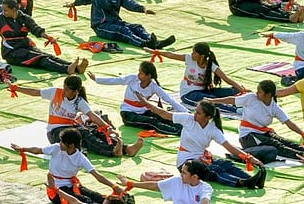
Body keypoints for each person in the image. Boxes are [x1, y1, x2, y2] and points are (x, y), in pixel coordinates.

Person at [134, 97, 266, 189]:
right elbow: (165, 114)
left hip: (202, 158)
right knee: (215, 170)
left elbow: (228, 146)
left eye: (198, 113)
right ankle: (242, 183)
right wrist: (147, 103)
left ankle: (252, 178)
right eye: (196, 111)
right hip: (186, 163)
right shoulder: (188, 119)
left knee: (227, 164)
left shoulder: (212, 129)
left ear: (207, 117)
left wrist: (249, 157)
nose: (195, 114)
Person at [10, 75, 143, 158]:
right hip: (55, 133)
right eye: (65, 88)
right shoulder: (55, 92)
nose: (65, 91)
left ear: (76, 91)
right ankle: (112, 151)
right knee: (84, 133)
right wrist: (16, 88)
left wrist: (107, 127)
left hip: (71, 128)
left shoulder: (79, 101)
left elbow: (92, 116)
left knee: (96, 131)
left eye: (69, 90)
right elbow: (35, 92)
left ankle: (126, 148)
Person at [0, 0, 86, 75]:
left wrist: (49, 37)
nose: (3, 12)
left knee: (47, 55)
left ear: (14, 10)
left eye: (6, 10)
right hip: (12, 52)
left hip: (25, 45)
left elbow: (36, 29)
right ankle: (66, 69)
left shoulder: (25, 18)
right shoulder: (0, 19)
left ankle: (75, 67)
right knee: (41, 59)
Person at [13, 128, 123, 204]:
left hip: (73, 186)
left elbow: (97, 175)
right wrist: (22, 149)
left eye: (62, 142)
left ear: (71, 145)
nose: (59, 143)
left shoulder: (80, 158)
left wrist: (114, 187)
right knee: (86, 201)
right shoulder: (56, 148)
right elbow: (37, 150)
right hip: (56, 189)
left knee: (99, 197)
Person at [204, 79, 304, 161]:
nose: (257, 93)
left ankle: (301, 150)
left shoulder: (274, 107)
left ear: (268, 95)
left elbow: (289, 123)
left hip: (263, 134)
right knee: (276, 146)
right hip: (248, 136)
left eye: (259, 92)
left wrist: (302, 133)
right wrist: (213, 101)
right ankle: (300, 155)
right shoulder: (251, 98)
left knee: (284, 141)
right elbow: (231, 100)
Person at [87, 61, 187, 135]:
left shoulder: (154, 86)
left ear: (148, 76)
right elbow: (116, 80)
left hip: (144, 111)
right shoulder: (132, 79)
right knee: (151, 121)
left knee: (162, 116)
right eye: (139, 72)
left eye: (141, 73)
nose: (138, 74)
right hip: (128, 114)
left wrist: (187, 113)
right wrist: (97, 79)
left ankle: (184, 127)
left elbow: (169, 100)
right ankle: (176, 132)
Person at [151, 42, 248, 113]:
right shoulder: (189, 59)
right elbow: (171, 55)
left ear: (201, 56)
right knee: (209, 101)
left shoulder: (210, 64)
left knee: (233, 91)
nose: (192, 54)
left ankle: (243, 101)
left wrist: (241, 90)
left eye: (194, 52)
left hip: (204, 90)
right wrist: (156, 52)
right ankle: (236, 110)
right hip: (189, 94)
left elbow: (226, 78)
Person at [117, 160, 213, 204]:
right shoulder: (177, 181)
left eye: (184, 173)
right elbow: (154, 185)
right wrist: (130, 183)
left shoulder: (205, 188)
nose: (181, 175)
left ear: (195, 176)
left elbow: (205, 200)